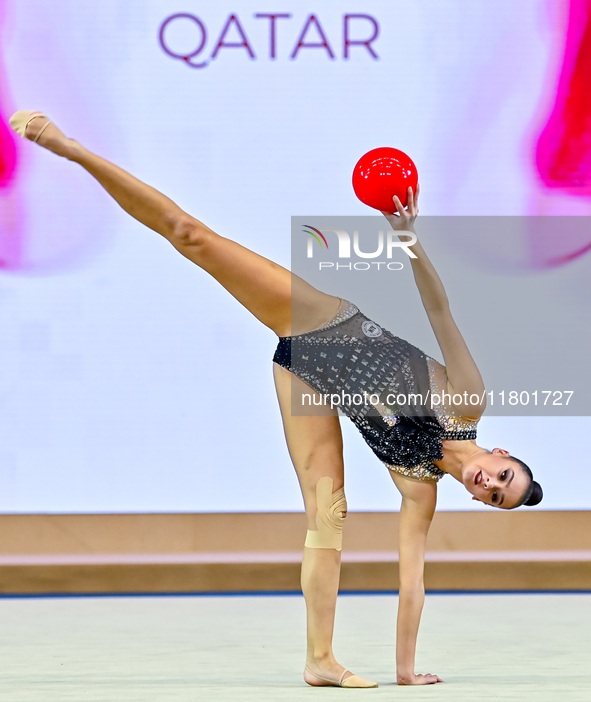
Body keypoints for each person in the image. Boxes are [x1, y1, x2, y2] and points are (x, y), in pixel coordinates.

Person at [9, 111, 543, 688]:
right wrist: (407, 238)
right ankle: (73, 149)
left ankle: (320, 661)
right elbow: (440, 312)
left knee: (327, 516)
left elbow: (412, 582)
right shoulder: (467, 402)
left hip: (307, 383)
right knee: (192, 236)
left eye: (494, 498)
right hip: (325, 324)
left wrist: (406, 673)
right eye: (504, 477)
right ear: (503, 453)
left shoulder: (419, 487)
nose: (489, 486)